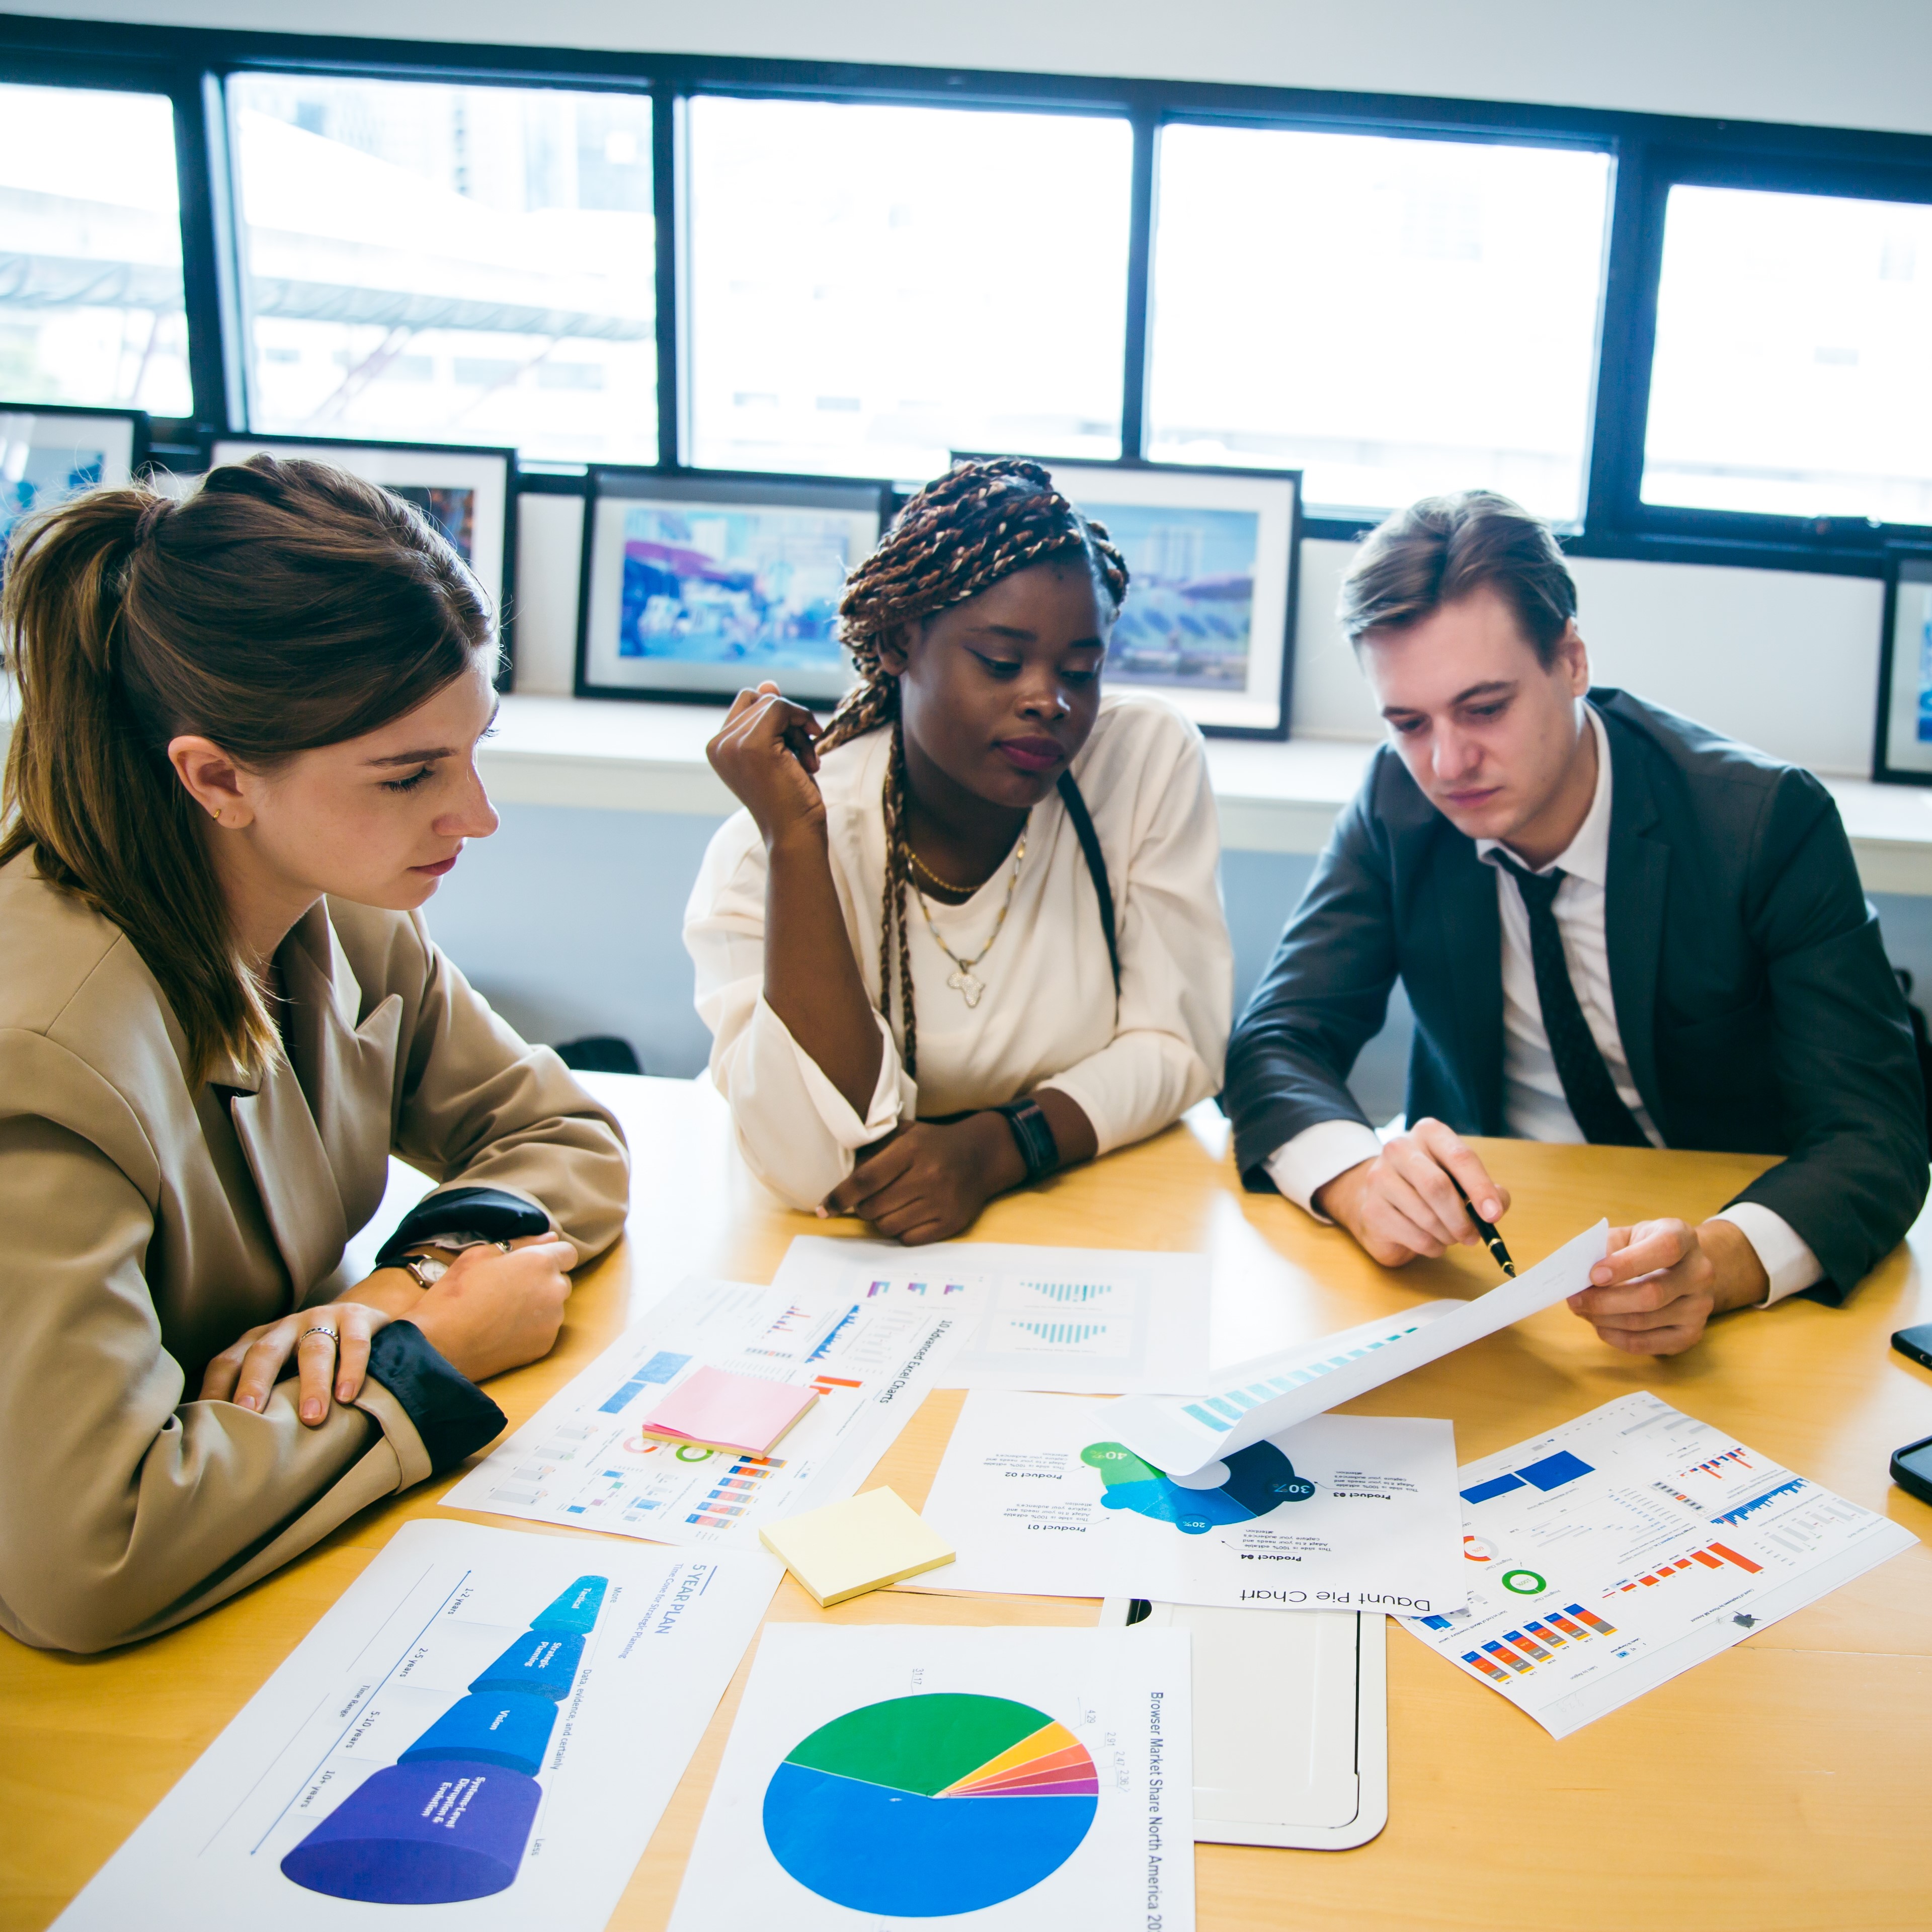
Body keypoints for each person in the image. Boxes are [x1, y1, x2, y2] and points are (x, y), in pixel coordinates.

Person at [0, 457, 629, 1653]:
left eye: (471, 747)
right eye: (411, 775)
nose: (477, 814)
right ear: (217, 777)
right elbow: (85, 1558)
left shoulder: (338, 901)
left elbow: (563, 1135)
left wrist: (411, 1279)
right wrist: (429, 1351)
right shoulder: (38, 1051)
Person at [1222, 490, 1927, 1355]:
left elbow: (1878, 1133)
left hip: (1726, 1269)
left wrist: (1725, 1260)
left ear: (1572, 661)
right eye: (1409, 722)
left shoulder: (1764, 823)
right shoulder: (1397, 802)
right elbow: (1278, 1039)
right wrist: (1357, 1180)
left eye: (1485, 709)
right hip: (1497, 1264)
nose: (1446, 764)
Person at [685, 457, 1232, 1243]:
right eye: (1002, 663)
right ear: (903, 639)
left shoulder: (1141, 759)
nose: (1051, 700)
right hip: (852, 1263)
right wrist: (797, 847)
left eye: (1083, 669)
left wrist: (1000, 1147)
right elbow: (813, 1166)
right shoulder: (768, 847)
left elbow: (1180, 1047)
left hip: (1099, 1219)